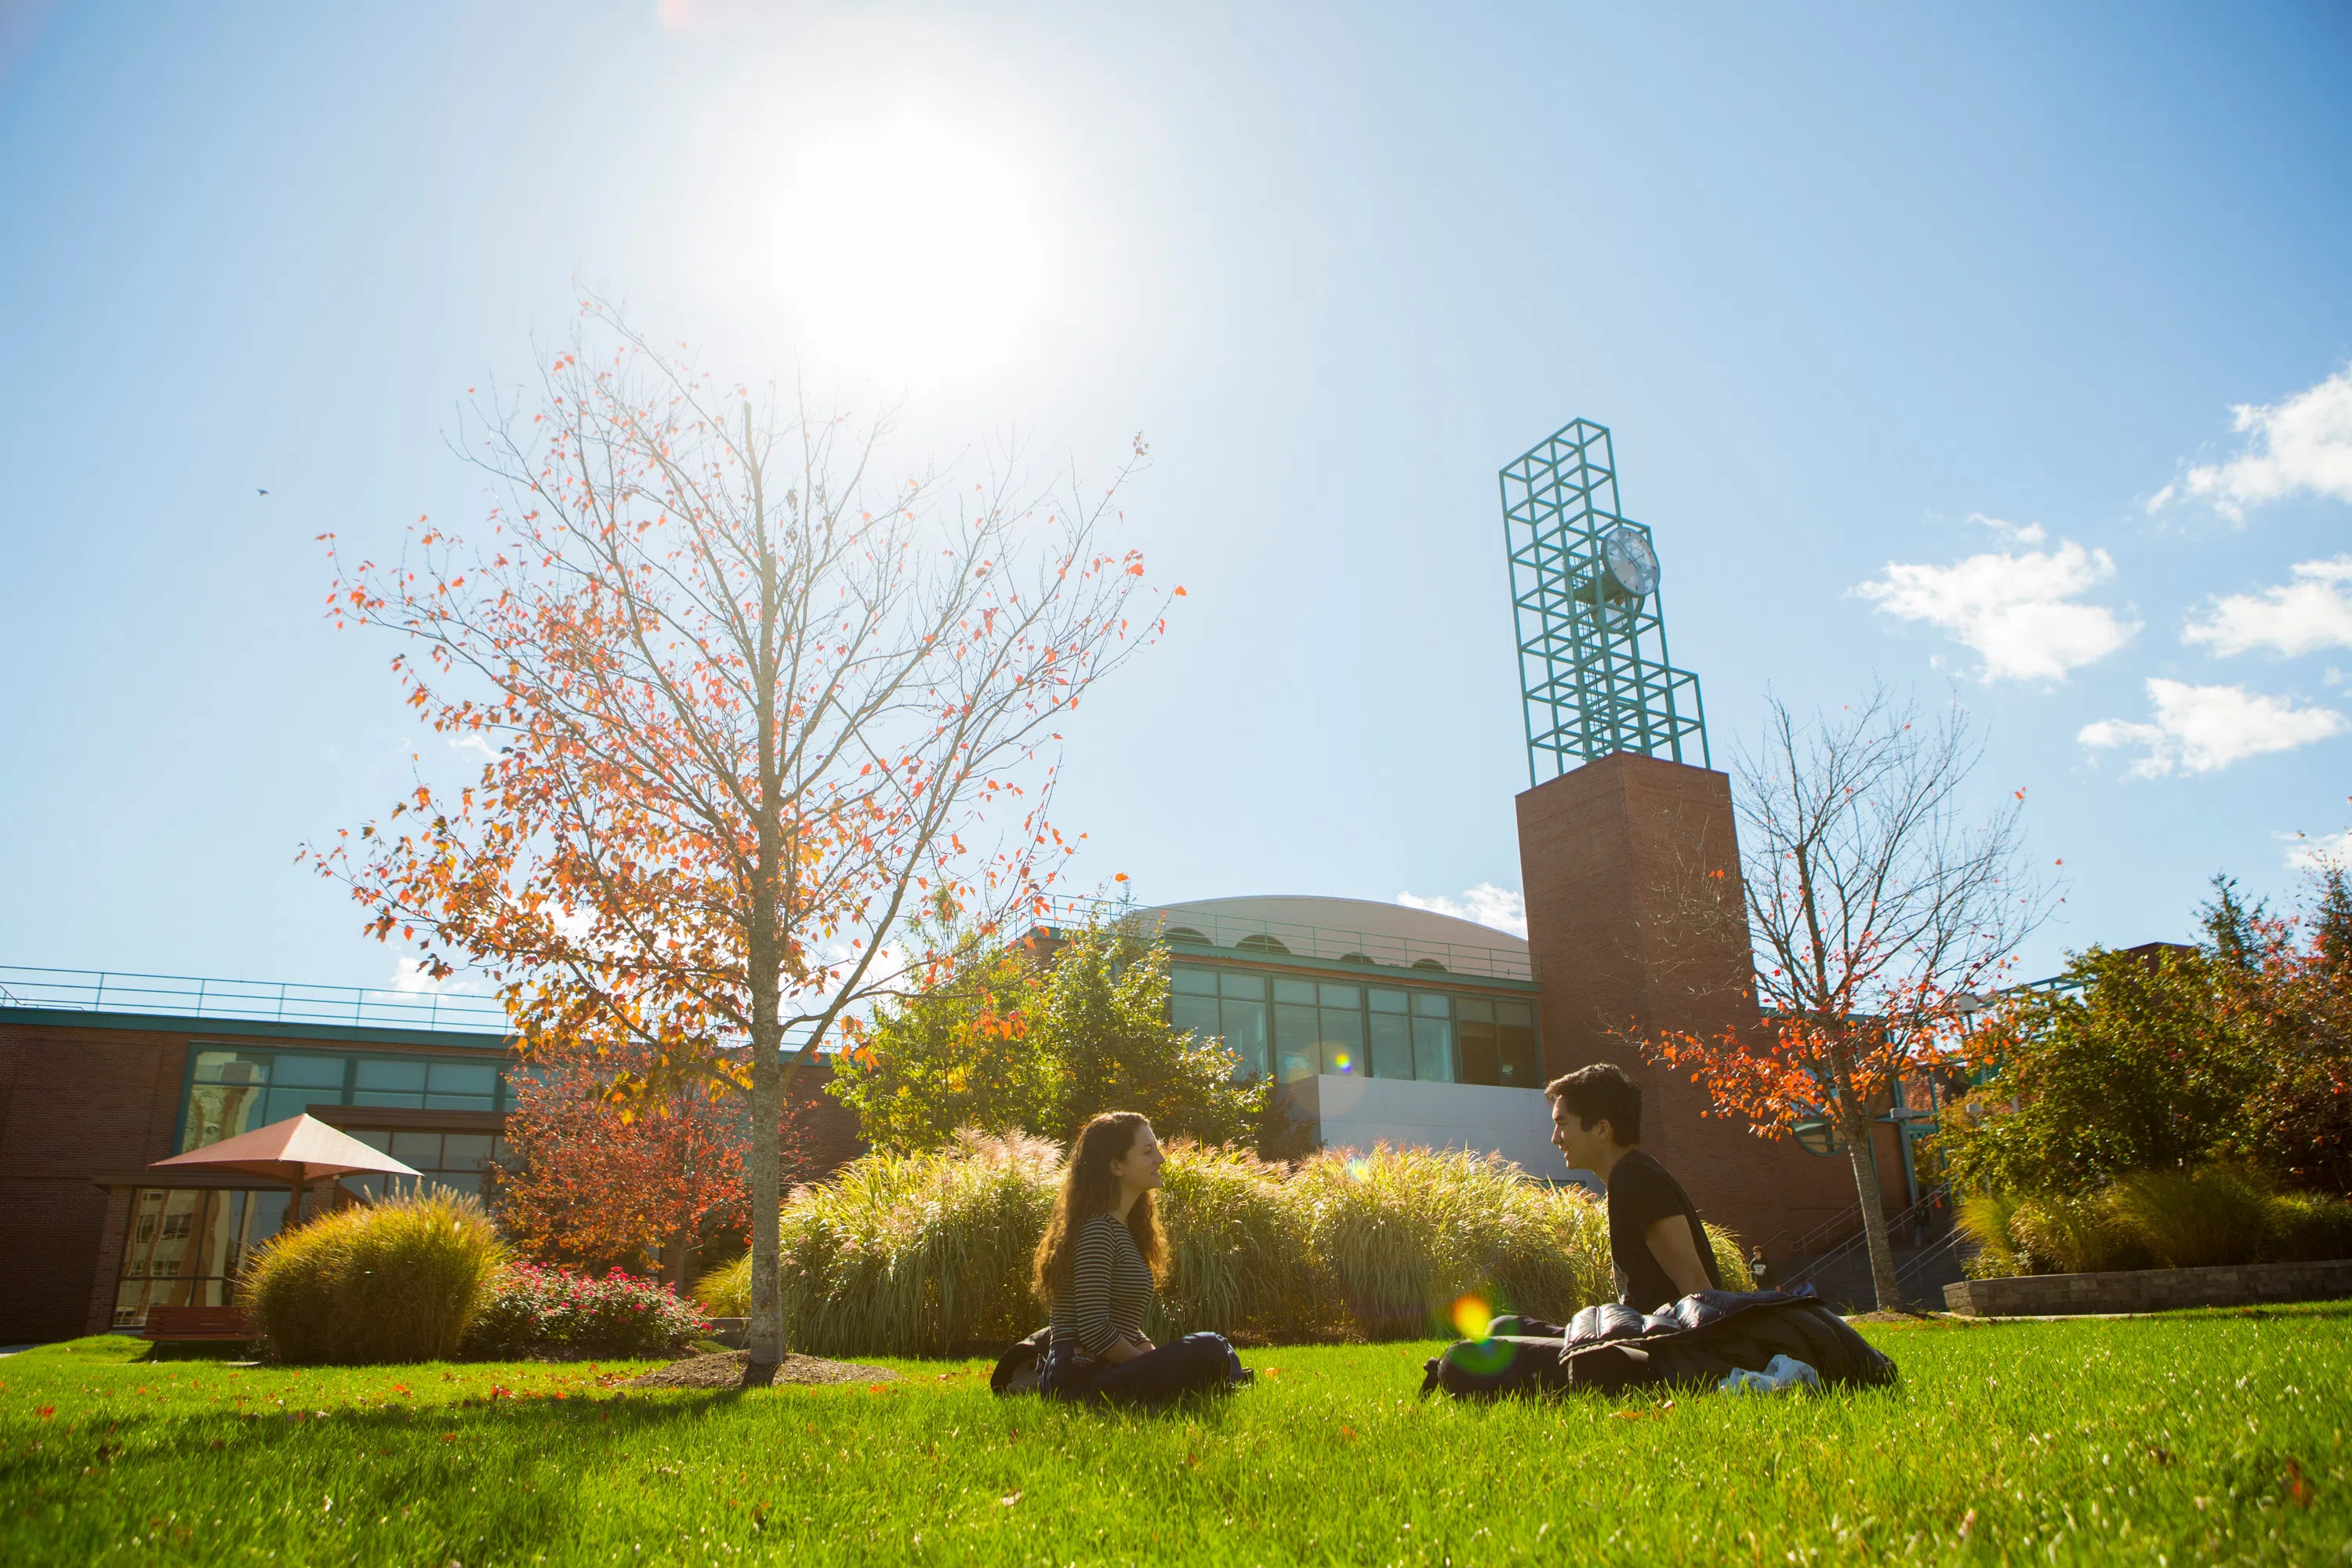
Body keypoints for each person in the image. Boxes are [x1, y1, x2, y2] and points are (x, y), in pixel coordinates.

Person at [1032, 1112, 1250, 1406]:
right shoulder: (1097, 1230)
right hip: (1080, 1376)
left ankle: (1221, 1378)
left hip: (1103, 1369)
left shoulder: (1123, 1229)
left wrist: (1154, 1358)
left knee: (1215, 1345)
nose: (1160, 1159)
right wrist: (1158, 1367)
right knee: (1209, 1346)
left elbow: (1124, 1326)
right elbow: (1094, 1330)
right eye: (1148, 1151)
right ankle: (1221, 1378)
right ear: (1116, 1166)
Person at [1545, 1063, 1721, 1312]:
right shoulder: (1629, 1176)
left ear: (1601, 1129)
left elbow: (1696, 1286)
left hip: (1667, 1345)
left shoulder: (1636, 1179)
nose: (1555, 1138)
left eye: (1562, 1124)